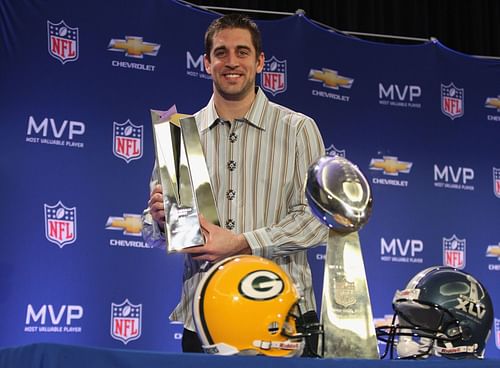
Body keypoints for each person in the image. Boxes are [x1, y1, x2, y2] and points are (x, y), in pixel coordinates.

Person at [142, 13, 328, 356]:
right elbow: (154, 229)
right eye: (221, 52)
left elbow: (316, 221)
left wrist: (243, 243)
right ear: (206, 62)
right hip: (204, 317)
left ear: (259, 62)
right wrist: (157, 219)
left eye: (242, 52)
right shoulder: (180, 135)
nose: (232, 62)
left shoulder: (298, 129)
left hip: (282, 314)